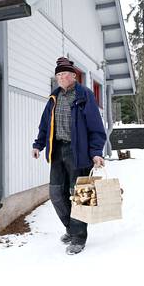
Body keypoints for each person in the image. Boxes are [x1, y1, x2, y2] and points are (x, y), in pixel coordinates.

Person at [32, 57, 106, 255]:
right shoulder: (53, 98)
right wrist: (38, 144)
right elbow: (45, 125)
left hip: (78, 152)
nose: (61, 77)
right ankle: (71, 228)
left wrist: (96, 153)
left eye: (64, 74)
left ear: (74, 76)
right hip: (57, 151)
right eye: (58, 75)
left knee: (80, 195)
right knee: (56, 193)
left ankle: (79, 238)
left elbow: (96, 128)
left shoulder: (85, 95)